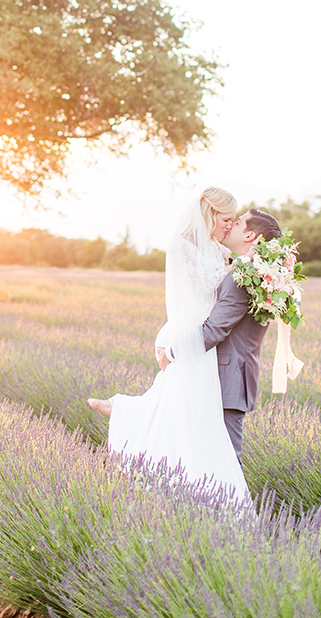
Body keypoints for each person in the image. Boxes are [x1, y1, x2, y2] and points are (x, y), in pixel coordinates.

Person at [88, 187, 249, 502]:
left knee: (186, 407)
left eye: (233, 220)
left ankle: (122, 410)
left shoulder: (218, 249)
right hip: (192, 334)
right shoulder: (182, 244)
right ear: (210, 213)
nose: (229, 226)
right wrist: (242, 267)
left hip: (206, 337)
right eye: (226, 219)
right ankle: (126, 417)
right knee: (186, 406)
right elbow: (209, 284)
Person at [159, 207, 281, 463]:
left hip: (228, 378)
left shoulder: (243, 278)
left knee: (226, 460)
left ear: (249, 236)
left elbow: (215, 329)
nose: (230, 226)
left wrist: (172, 353)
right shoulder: (254, 273)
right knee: (209, 456)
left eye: (237, 223)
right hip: (225, 376)